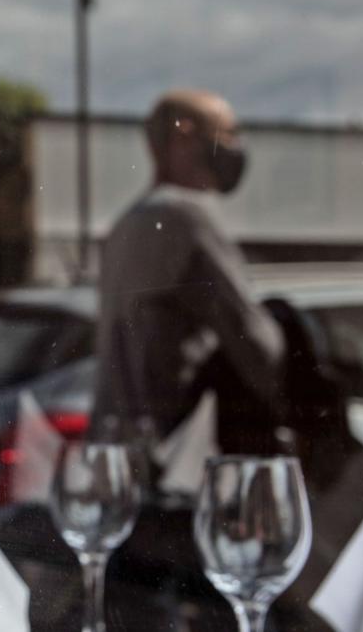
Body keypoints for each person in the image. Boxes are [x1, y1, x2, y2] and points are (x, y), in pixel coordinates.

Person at [91, 89, 285, 454]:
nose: (235, 147)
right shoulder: (185, 217)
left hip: (119, 445)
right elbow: (257, 344)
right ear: (184, 134)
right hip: (173, 450)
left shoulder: (126, 223)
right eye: (227, 133)